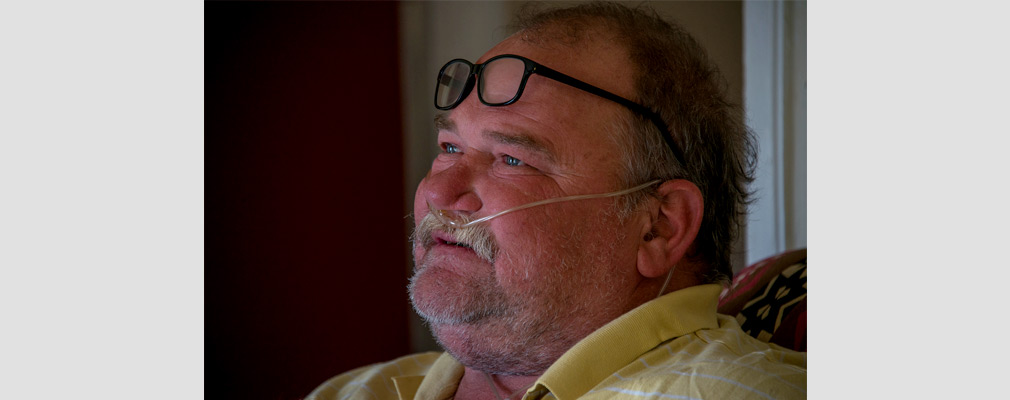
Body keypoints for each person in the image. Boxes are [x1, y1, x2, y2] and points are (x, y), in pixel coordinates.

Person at [308, 2, 806, 399]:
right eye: (450, 148)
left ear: (659, 227)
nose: (437, 193)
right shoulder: (352, 392)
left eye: (511, 159)